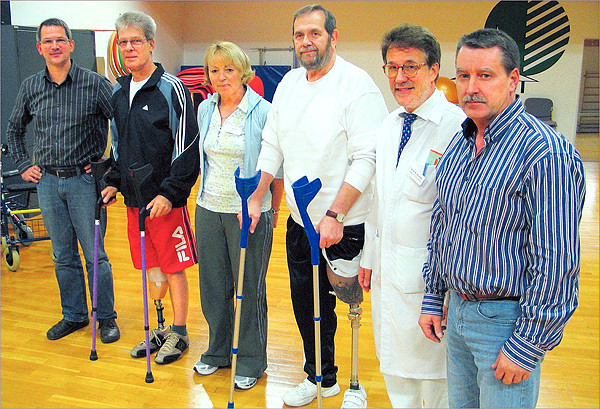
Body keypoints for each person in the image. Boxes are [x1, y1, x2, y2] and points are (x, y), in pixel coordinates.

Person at [418, 28, 585, 408]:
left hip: (506, 323)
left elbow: (556, 261)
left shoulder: (545, 153)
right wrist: (433, 295)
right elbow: (444, 224)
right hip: (457, 314)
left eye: (485, 75)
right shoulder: (461, 143)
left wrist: (528, 344)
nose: (471, 87)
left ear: (513, 81)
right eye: (463, 75)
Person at [247, 4, 388, 407]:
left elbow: (367, 158)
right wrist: (257, 196)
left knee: (351, 305)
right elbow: (272, 145)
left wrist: (336, 214)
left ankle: (357, 385)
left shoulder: (356, 86)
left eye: (315, 33)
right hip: (300, 221)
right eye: (298, 35)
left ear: (333, 37)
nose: (306, 42)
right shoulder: (289, 84)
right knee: (309, 305)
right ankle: (320, 376)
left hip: (346, 222)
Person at [358, 24, 465, 408]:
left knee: (435, 385)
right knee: (396, 376)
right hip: (388, 273)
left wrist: (450, 291)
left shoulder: (458, 128)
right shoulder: (389, 125)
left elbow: (459, 220)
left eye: (410, 66)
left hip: (432, 286)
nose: (399, 77)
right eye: (391, 67)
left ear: (434, 70)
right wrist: (369, 257)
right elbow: (379, 200)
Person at [5, 18, 119, 343]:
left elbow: (120, 123)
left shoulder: (95, 84)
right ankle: (74, 315)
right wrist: (24, 164)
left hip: (85, 183)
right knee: (62, 255)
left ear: (71, 45)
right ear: (39, 48)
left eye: (60, 40)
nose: (55, 46)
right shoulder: (31, 86)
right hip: (48, 183)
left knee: (94, 255)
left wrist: (109, 165)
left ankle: (106, 318)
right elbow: (14, 129)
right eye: (48, 41)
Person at [102, 11, 199, 365]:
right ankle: (160, 328)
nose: (129, 48)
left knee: (174, 268)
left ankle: (180, 330)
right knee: (151, 267)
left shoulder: (172, 88)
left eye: (136, 41)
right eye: (123, 42)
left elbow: (188, 147)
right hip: (134, 200)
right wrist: (113, 181)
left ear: (151, 44)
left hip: (165, 202)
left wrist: (170, 193)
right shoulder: (117, 91)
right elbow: (119, 144)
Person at [190, 41, 284, 390]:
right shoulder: (205, 109)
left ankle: (250, 359)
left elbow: (277, 167)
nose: (221, 77)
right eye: (214, 70)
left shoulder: (263, 111)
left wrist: (272, 209)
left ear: (242, 71)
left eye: (229, 69)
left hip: (249, 214)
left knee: (249, 288)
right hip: (208, 207)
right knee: (214, 287)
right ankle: (217, 352)